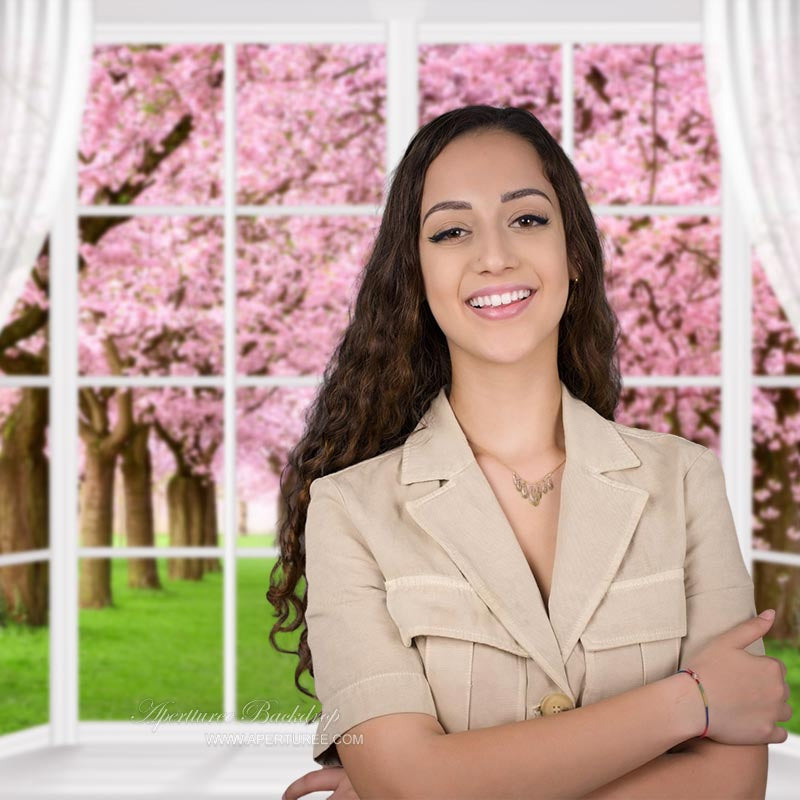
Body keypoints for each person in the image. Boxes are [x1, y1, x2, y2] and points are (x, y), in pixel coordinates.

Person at [271, 105, 791, 800]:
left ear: (573, 253)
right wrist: (690, 702)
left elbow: (731, 786)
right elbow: (408, 783)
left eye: (527, 219)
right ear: (415, 276)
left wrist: (437, 785)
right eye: (452, 231)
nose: (495, 256)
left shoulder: (686, 481)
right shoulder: (349, 510)